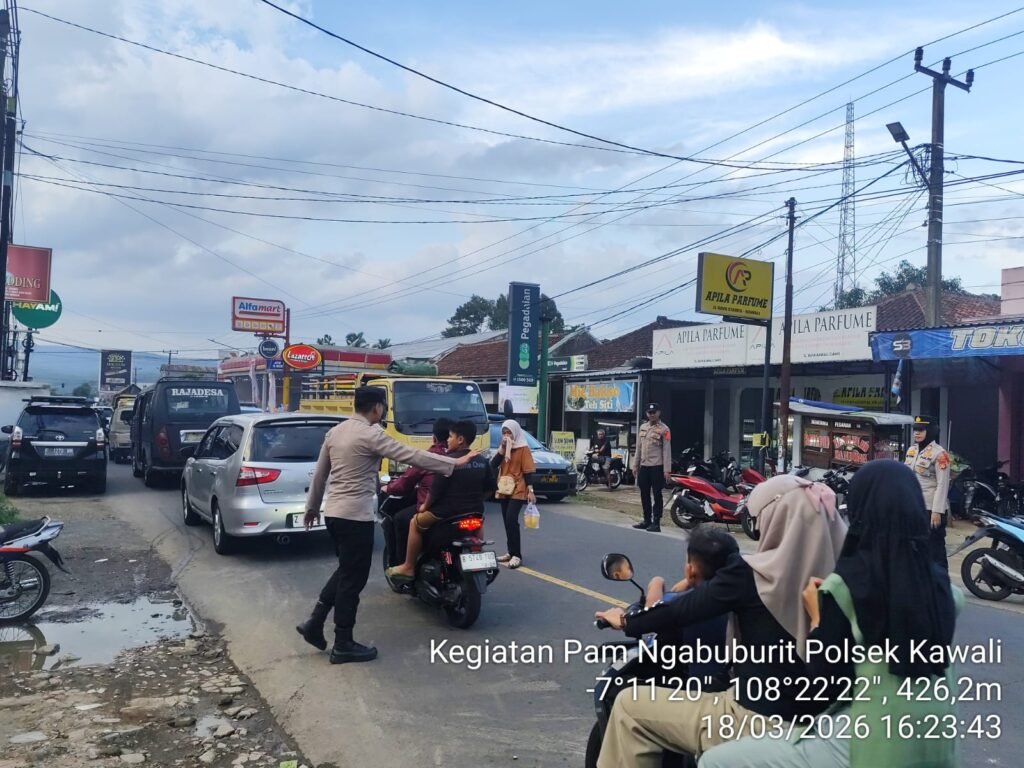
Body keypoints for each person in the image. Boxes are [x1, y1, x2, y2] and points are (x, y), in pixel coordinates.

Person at [699, 460, 960, 768]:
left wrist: (817, 615)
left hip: (868, 742)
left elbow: (825, 685)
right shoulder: (942, 588)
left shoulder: (847, 586)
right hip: (937, 738)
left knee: (716, 762)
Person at [593, 474, 847, 765]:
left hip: (755, 720)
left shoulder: (755, 574)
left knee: (629, 706)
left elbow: (681, 611)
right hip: (829, 726)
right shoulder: (844, 580)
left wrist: (626, 622)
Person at [295, 387, 476, 664]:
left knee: (346, 571)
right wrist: (453, 462)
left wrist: (311, 508)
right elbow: (410, 455)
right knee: (352, 580)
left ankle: (315, 622)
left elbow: (320, 475)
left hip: (333, 513)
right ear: (377, 408)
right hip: (355, 516)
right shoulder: (370, 434)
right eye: (384, 407)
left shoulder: (336, 432)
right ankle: (343, 642)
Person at [386, 420, 494, 582]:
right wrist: (477, 500)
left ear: (460, 440)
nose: (448, 440)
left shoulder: (446, 462)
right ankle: (478, 559)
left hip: (445, 513)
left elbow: (434, 492)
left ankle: (408, 567)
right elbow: (490, 488)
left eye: (450, 437)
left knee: (414, 523)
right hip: (474, 511)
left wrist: (424, 507)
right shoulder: (482, 461)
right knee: (478, 523)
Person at [383, 418, 451, 563]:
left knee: (400, 519)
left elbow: (404, 483)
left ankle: (403, 565)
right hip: (463, 509)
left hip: (434, 509)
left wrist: (387, 487)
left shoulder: (429, 457)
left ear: (434, 437)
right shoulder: (464, 457)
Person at [905, 415, 951, 569]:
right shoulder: (911, 451)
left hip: (930, 509)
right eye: (915, 430)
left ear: (930, 431)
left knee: (935, 550)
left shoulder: (940, 454)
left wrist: (937, 511)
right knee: (914, 547)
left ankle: (940, 585)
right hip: (914, 507)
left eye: (921, 430)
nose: (916, 433)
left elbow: (942, 484)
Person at [492, 419, 536, 570]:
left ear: (515, 432)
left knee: (511, 519)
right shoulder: (503, 448)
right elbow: (493, 464)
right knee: (506, 521)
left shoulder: (523, 448)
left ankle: (517, 555)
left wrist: (531, 491)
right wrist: (503, 449)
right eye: (504, 433)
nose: (506, 435)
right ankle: (510, 552)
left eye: (509, 432)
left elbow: (528, 470)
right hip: (504, 488)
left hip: (519, 487)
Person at [631, 403, 672, 532]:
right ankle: (646, 520)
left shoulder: (665, 429)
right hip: (644, 466)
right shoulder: (643, 427)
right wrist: (635, 465)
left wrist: (667, 470)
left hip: (657, 466)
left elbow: (666, 450)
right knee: (644, 494)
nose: (652, 414)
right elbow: (639, 448)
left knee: (657, 494)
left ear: (658, 413)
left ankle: (656, 522)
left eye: (654, 412)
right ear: (647, 414)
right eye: (649, 412)